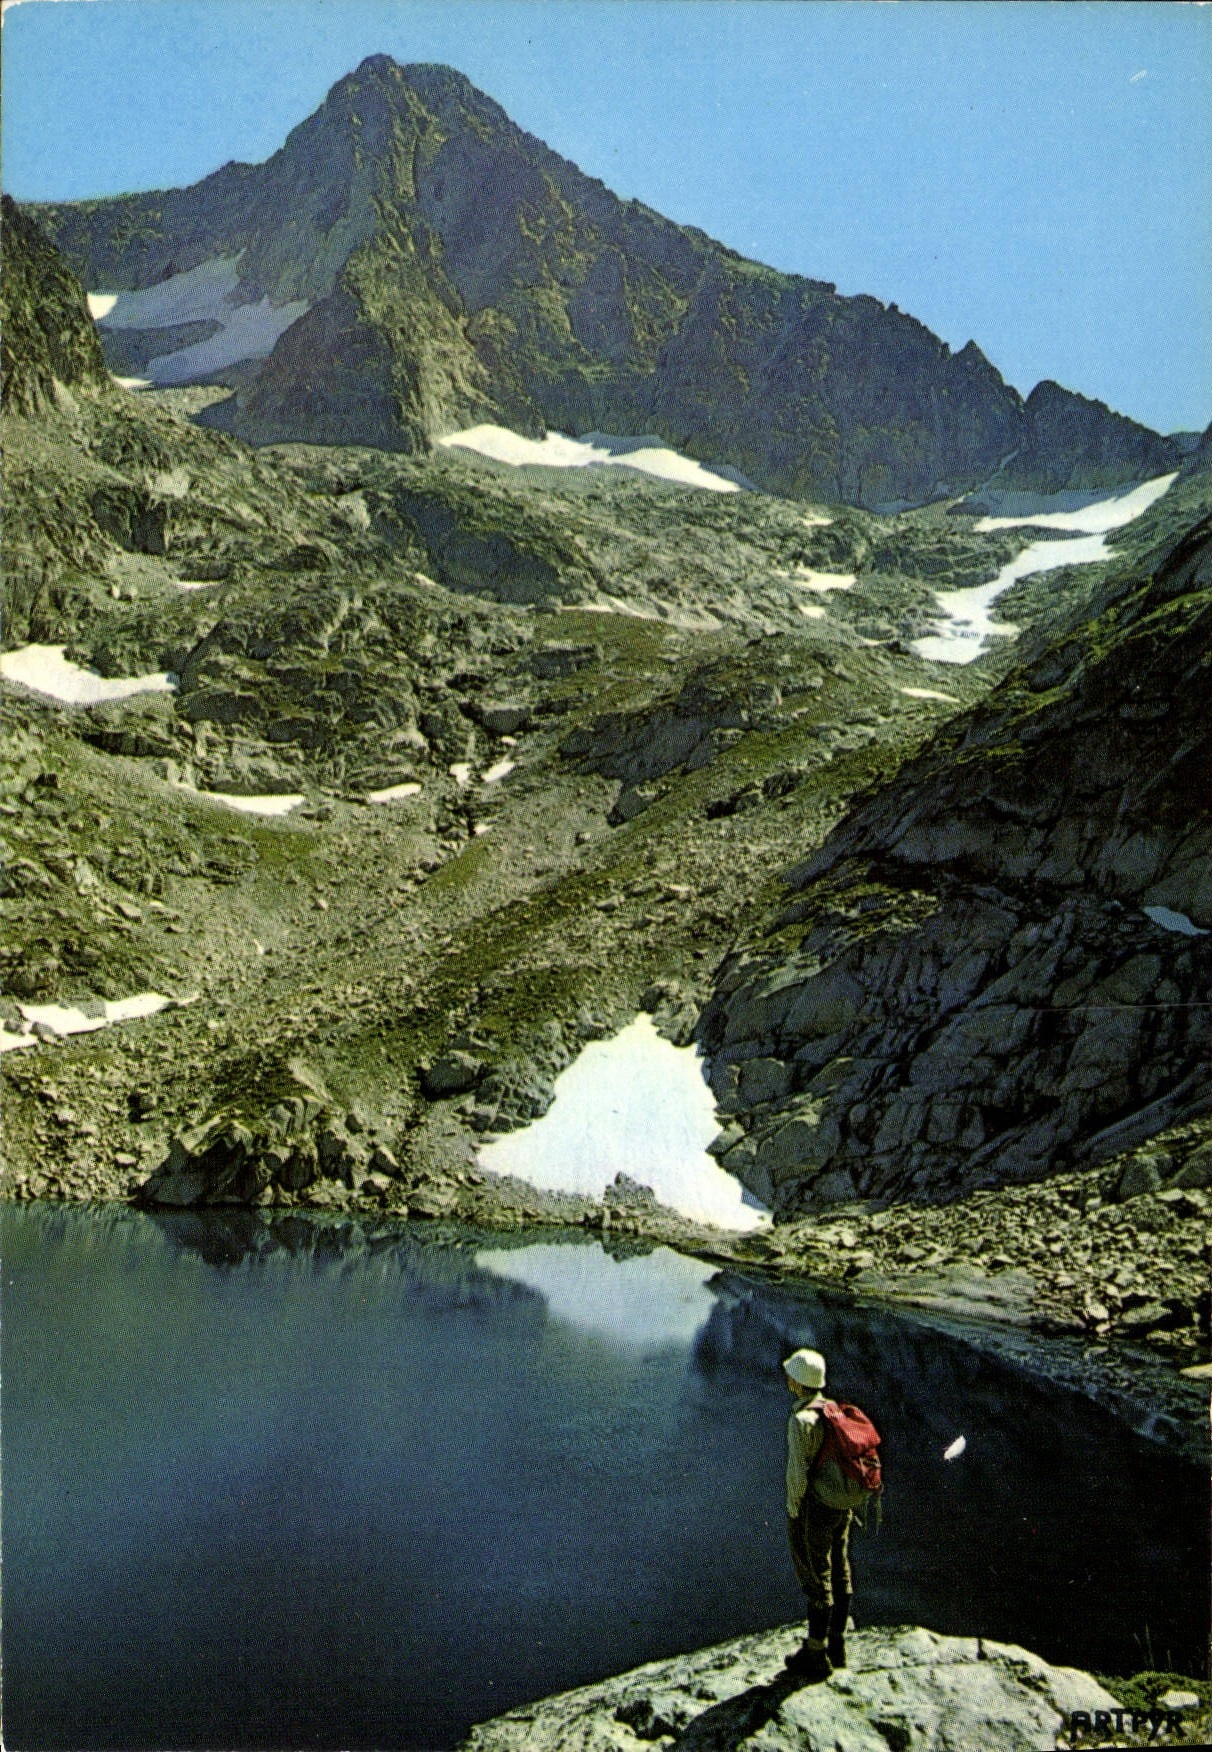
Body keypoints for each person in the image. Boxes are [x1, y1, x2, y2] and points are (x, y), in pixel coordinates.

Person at [782, 1346, 852, 1681]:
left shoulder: (801, 1421)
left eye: (790, 1375)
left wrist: (794, 1509)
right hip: (842, 1504)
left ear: (797, 1383)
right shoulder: (833, 1409)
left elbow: (798, 1473)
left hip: (816, 1508)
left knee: (815, 1575)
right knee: (840, 1568)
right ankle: (837, 1644)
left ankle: (815, 1653)